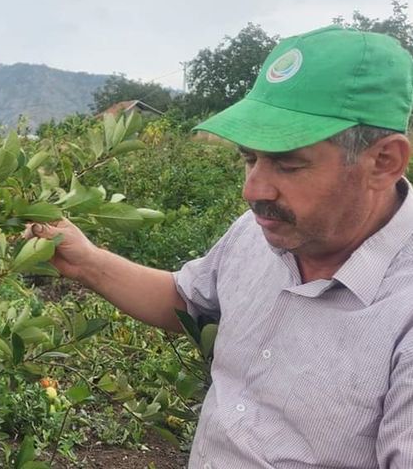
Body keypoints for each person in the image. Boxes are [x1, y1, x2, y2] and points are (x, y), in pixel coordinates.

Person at [27, 25, 413, 467]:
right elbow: (187, 299)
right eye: (250, 158)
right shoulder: (259, 229)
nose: (254, 190)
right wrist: (86, 261)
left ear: (383, 162)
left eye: (288, 165)